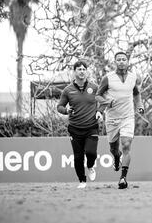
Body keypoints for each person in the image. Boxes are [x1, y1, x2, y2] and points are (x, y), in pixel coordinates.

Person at [95, 51, 144, 190]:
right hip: (112, 118)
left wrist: (139, 105)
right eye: (119, 60)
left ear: (128, 62)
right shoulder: (107, 78)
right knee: (113, 148)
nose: (121, 61)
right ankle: (117, 158)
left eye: (124, 59)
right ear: (115, 62)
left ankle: (123, 178)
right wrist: (106, 102)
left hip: (128, 117)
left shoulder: (133, 77)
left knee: (126, 144)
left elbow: (136, 93)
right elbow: (97, 96)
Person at [57, 60, 103, 189]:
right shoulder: (68, 90)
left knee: (91, 153)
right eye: (79, 69)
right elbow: (59, 106)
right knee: (78, 157)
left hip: (91, 127)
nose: (82, 71)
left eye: (84, 69)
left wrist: (99, 112)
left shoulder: (94, 87)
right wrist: (66, 111)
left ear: (86, 72)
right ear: (74, 72)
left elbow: (103, 101)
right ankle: (82, 181)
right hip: (75, 128)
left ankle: (90, 166)